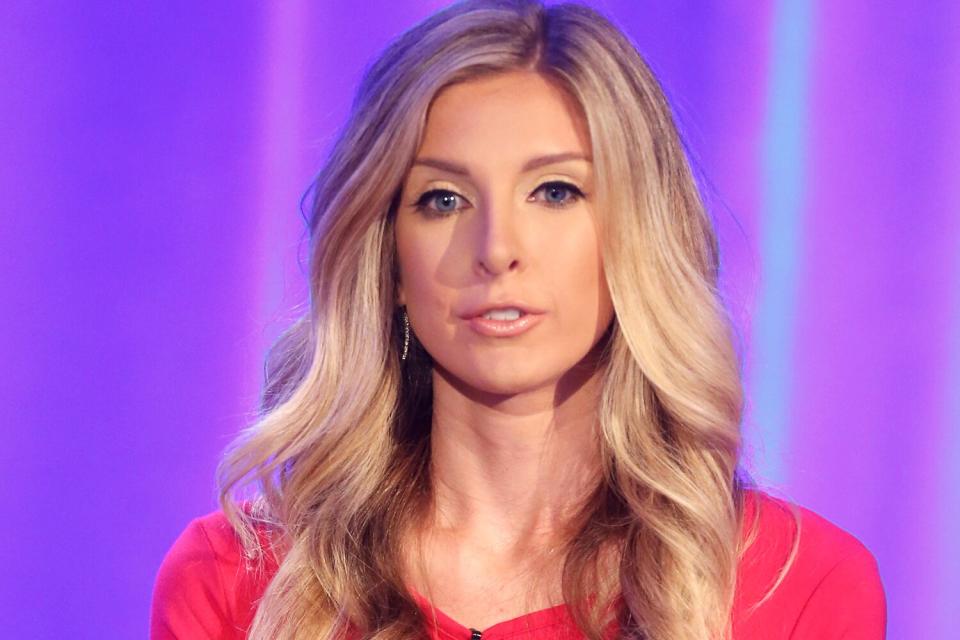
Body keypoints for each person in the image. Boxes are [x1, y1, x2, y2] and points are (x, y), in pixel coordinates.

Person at [150, 1, 886, 638]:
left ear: (634, 236)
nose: (497, 249)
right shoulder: (239, 582)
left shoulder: (797, 584)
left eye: (557, 191)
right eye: (443, 200)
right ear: (390, 264)